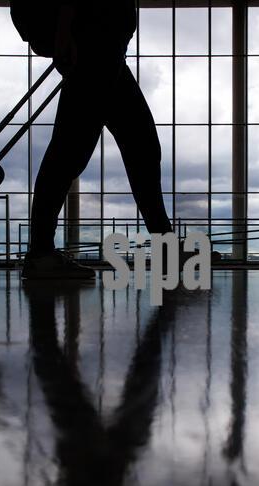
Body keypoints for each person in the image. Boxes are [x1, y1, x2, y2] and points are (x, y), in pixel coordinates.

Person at [18, 1, 175, 279]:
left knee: (135, 145)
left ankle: (41, 250)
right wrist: (67, 32)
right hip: (96, 44)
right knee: (77, 149)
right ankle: (41, 251)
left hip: (101, 45)